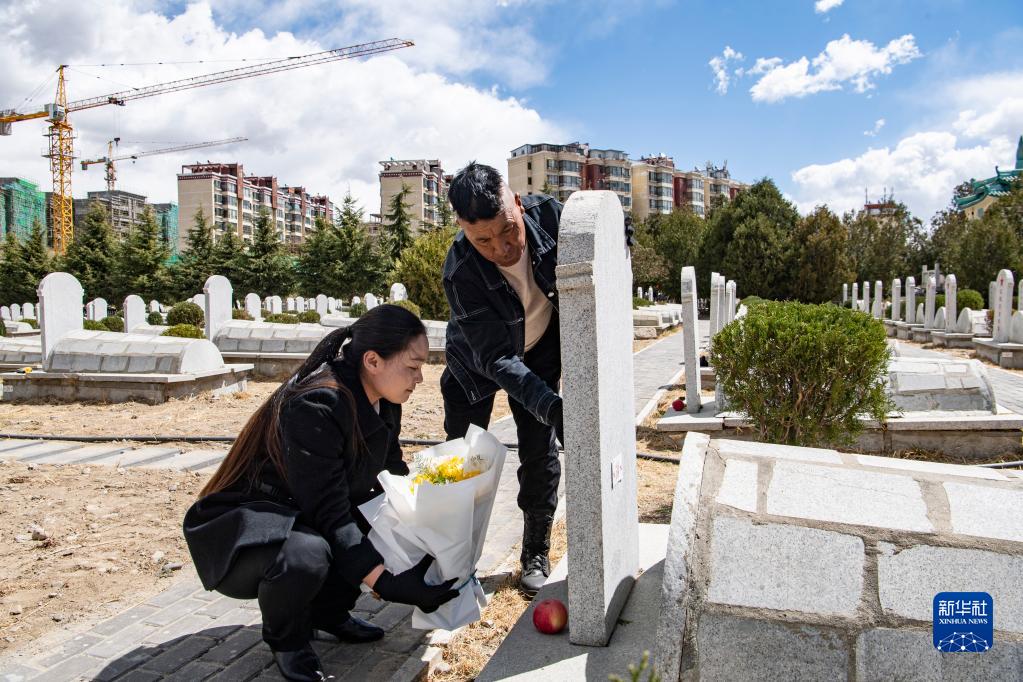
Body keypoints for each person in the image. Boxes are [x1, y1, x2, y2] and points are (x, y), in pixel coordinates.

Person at [183, 305, 458, 682]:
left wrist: (429, 525)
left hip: (303, 515)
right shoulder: (317, 403)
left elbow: (391, 474)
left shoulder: (384, 400)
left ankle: (328, 614)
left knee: (372, 522)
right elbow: (331, 512)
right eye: (412, 366)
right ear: (373, 361)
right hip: (249, 531)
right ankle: (289, 642)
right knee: (310, 553)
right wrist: (386, 582)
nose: (420, 378)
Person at [440, 162, 633, 593]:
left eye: (508, 229)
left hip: (541, 346)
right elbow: (497, 359)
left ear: (517, 203)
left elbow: (597, 234)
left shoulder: (554, 218)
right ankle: (452, 556)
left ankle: (535, 550)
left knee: (539, 452)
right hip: (476, 366)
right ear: (462, 228)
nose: (501, 247)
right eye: (483, 240)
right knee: (460, 459)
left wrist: (619, 232)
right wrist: (552, 406)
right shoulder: (461, 272)